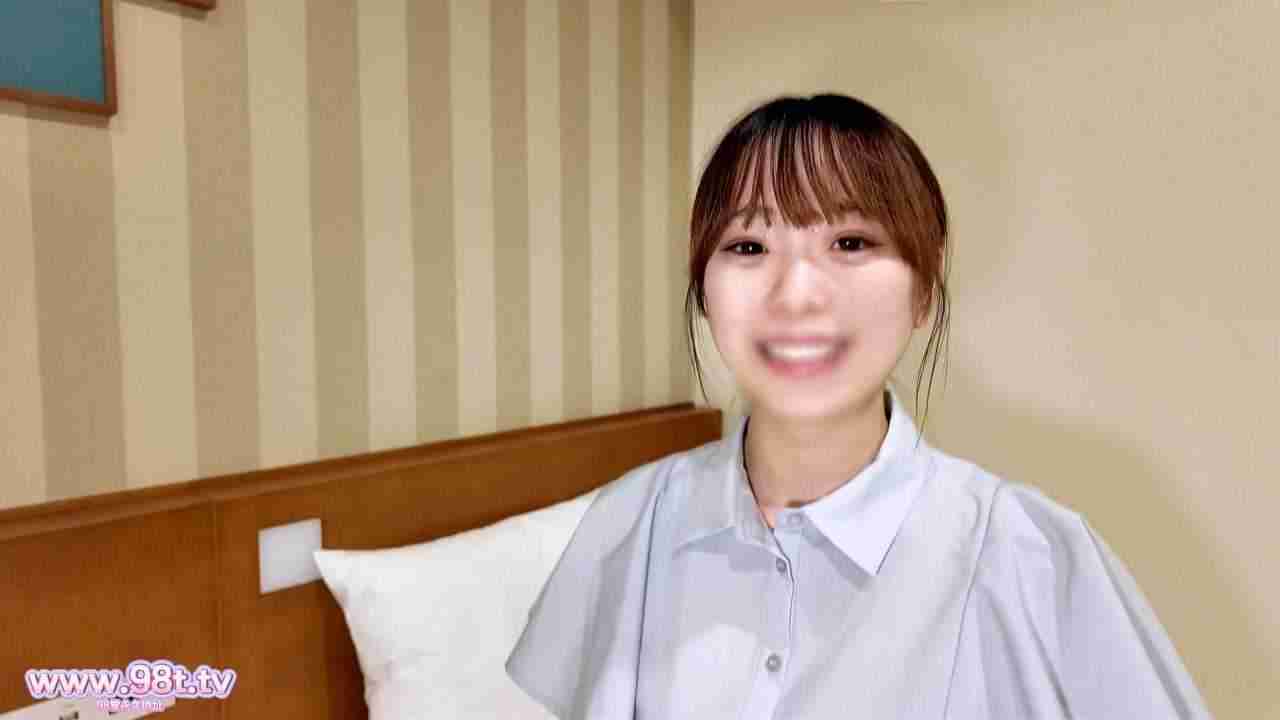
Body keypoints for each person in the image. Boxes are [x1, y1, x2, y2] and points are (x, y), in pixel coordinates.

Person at [506, 94, 1211, 719]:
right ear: (703, 292)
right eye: (748, 245)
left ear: (924, 287)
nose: (796, 294)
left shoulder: (1033, 561)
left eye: (850, 242)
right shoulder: (629, 523)